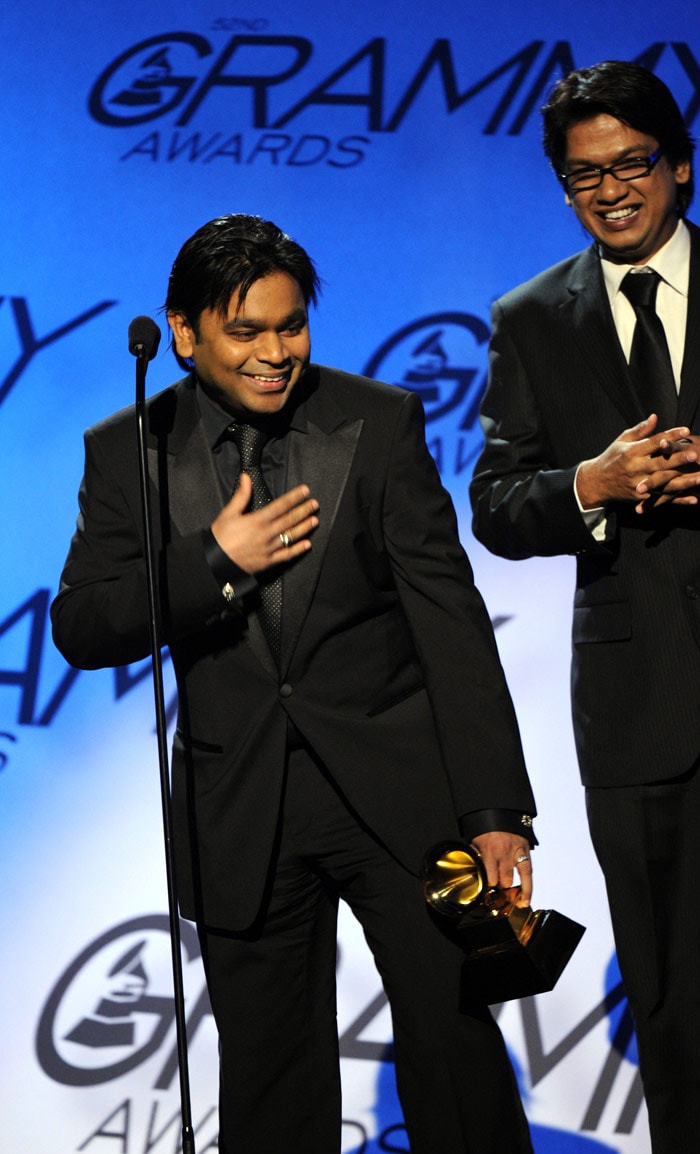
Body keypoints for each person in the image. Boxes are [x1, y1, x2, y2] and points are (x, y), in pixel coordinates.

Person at [51, 213, 537, 1154]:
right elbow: (81, 625)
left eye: (292, 326)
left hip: (405, 800)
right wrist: (210, 563)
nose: (276, 353)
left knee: (456, 1054)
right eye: (248, 332)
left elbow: (452, 627)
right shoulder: (128, 449)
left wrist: (495, 810)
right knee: (271, 1086)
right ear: (183, 332)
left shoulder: (379, 421)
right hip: (240, 808)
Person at [470, 60, 700, 1154]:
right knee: (667, 992)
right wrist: (590, 487)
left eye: (630, 165)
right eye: (582, 176)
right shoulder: (531, 318)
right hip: (635, 702)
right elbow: (495, 504)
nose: (609, 190)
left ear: (679, 166)